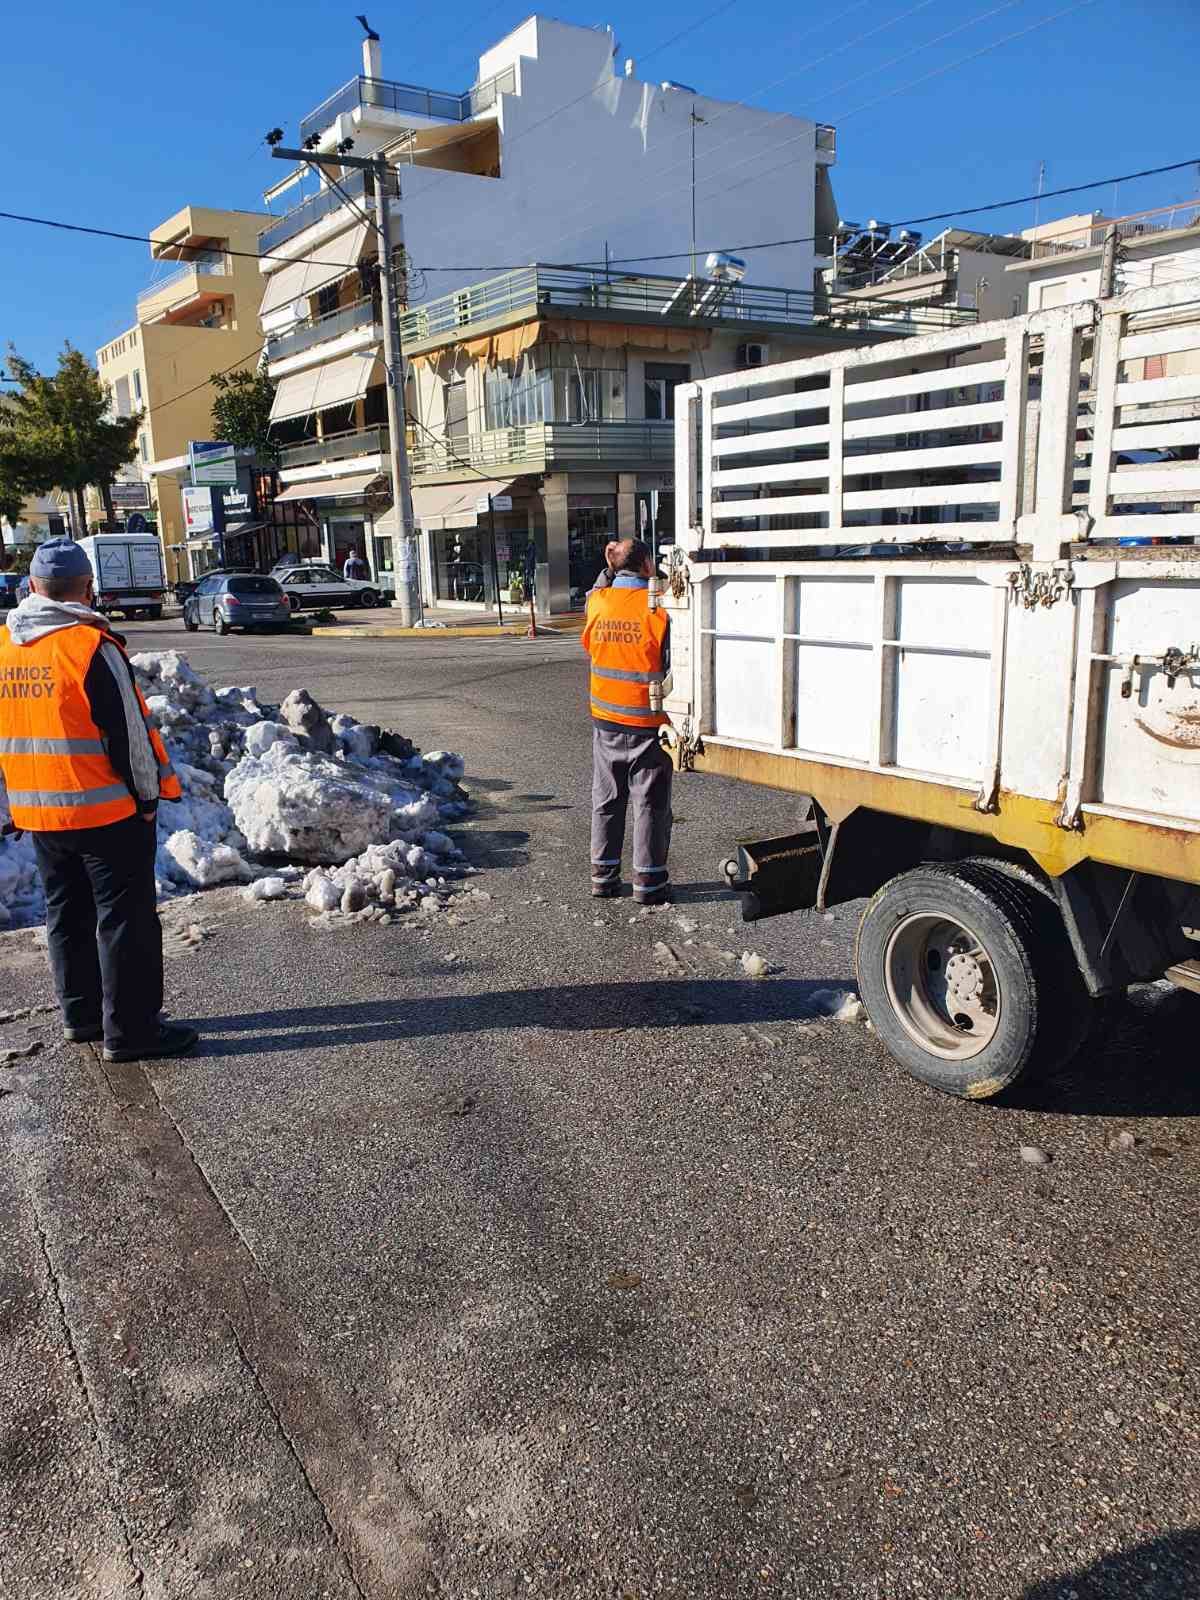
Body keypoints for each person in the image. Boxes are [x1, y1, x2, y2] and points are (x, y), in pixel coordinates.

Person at [0, 539, 198, 1063]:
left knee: (66, 914)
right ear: (87, 588)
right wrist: (148, 797)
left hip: (39, 813)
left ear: (32, 588)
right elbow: (129, 736)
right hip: (106, 812)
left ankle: (82, 1015)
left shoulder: (4, 646)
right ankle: (132, 1032)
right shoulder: (91, 647)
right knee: (124, 919)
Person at [580, 537, 672, 905]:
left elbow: (600, 588)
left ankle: (603, 878)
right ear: (648, 564)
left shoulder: (597, 603)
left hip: (606, 721)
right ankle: (647, 885)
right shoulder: (659, 609)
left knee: (606, 800)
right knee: (649, 804)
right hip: (648, 723)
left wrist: (609, 567)